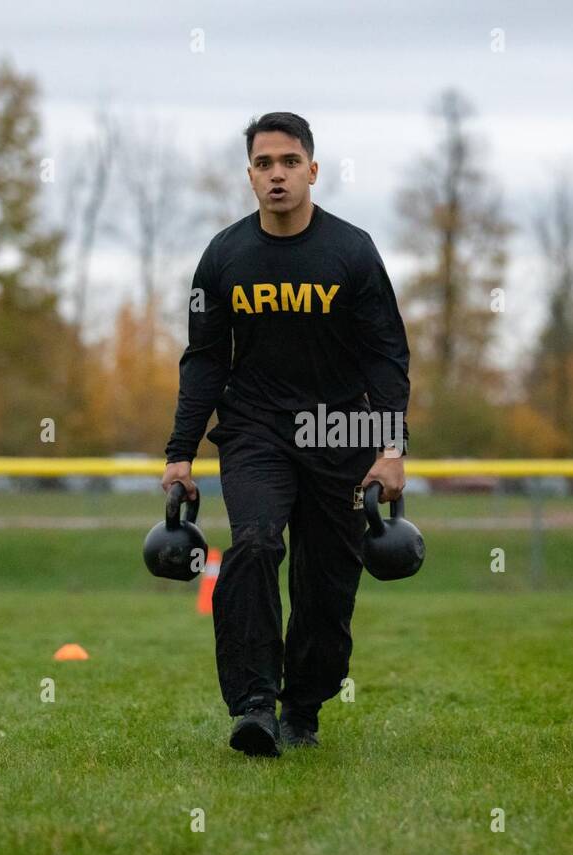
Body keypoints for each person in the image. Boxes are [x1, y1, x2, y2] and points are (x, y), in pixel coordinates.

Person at [160, 112, 411, 757]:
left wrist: (390, 449)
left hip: (343, 433)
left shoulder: (352, 252)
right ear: (249, 175)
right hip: (255, 431)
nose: (278, 175)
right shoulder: (224, 256)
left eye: (290, 162)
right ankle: (252, 705)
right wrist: (180, 454)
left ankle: (303, 705)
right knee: (253, 545)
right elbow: (206, 359)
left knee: (326, 583)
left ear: (313, 171)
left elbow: (386, 354)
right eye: (265, 164)